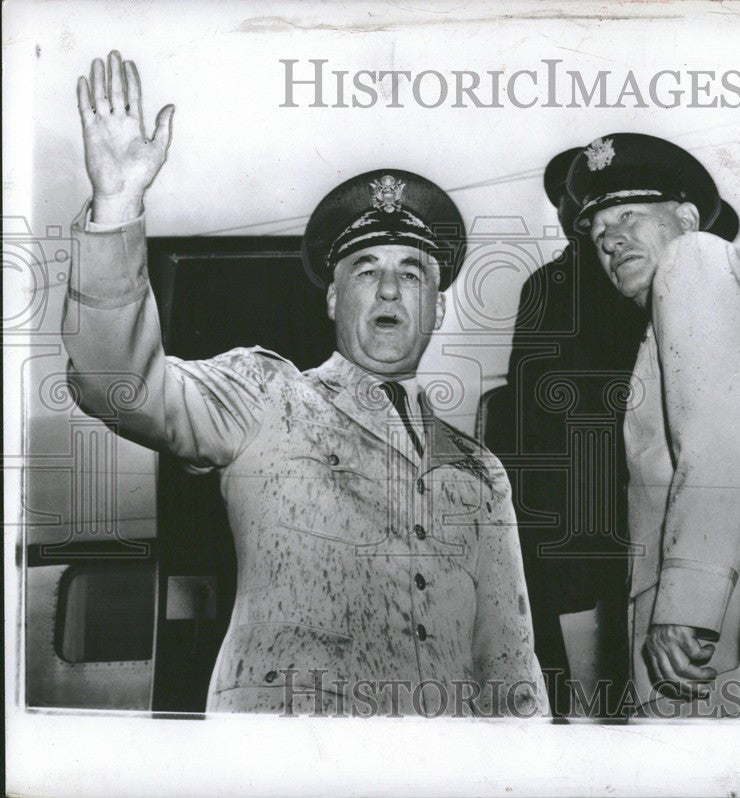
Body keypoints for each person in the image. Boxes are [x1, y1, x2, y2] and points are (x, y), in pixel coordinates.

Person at [64, 50, 547, 718]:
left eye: (412, 271)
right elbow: (116, 383)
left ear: (438, 306)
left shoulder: (479, 468)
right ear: (331, 300)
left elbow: (509, 663)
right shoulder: (262, 395)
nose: (387, 286)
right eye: (364, 267)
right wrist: (117, 207)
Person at [565, 132, 740, 719]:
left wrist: (686, 605)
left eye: (630, 214)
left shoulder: (694, 261)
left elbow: (721, 443)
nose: (611, 238)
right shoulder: (716, 294)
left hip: (712, 655)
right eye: (597, 230)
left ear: (686, 218)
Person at [484, 149, 646, 719]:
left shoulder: (644, 278)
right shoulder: (547, 283)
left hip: (626, 487)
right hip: (567, 500)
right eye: (567, 201)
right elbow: (525, 401)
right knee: (583, 680)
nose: (573, 210)